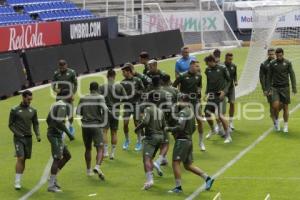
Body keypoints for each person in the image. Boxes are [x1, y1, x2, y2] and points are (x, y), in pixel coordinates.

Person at [165, 93, 214, 193]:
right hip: (188, 140)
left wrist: (168, 129)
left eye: (180, 101)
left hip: (182, 141)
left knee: (175, 163)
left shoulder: (183, 113)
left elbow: (180, 127)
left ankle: (178, 188)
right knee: (188, 165)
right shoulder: (191, 112)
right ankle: (207, 178)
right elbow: (193, 128)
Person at [9, 90, 41, 190]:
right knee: (20, 158)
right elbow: (10, 124)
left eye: (31, 100)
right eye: (28, 99)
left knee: (24, 160)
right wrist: (18, 133)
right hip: (18, 138)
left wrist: (38, 134)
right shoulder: (14, 110)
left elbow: (36, 123)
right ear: (23, 97)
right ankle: (17, 182)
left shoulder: (33, 110)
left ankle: (19, 179)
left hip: (29, 138)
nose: (29, 101)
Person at [135, 92, 167, 190]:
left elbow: (145, 122)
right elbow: (164, 126)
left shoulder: (148, 109)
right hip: (160, 137)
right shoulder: (160, 111)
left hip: (151, 137)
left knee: (146, 159)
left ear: (148, 99)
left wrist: (137, 128)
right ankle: (152, 173)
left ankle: (149, 181)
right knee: (150, 158)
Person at [77, 82, 108, 179]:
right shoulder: (100, 97)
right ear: (97, 88)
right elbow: (105, 109)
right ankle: (97, 167)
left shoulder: (83, 98)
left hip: (85, 125)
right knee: (100, 148)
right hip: (95, 125)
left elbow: (78, 112)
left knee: (88, 148)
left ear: (90, 88)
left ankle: (88, 170)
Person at [173, 59, 206, 151]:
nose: (198, 68)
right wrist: (180, 95)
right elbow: (174, 86)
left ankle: (201, 142)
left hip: (195, 101)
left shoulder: (199, 76)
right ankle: (187, 143)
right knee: (185, 124)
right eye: (196, 66)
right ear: (191, 66)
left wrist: (199, 90)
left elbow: (200, 86)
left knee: (199, 121)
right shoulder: (182, 76)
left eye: (198, 66)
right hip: (185, 103)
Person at [46, 89, 75, 192]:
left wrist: (51, 127)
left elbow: (47, 119)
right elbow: (59, 121)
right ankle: (51, 185)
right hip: (55, 136)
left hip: (54, 134)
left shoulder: (57, 104)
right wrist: (69, 134)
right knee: (57, 159)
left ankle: (52, 178)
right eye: (72, 94)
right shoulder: (62, 106)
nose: (73, 96)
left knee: (67, 156)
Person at [144, 76, 172, 177]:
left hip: (151, 122)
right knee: (165, 143)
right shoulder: (167, 94)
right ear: (160, 82)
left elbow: (145, 107)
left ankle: (159, 162)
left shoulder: (148, 95)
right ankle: (159, 161)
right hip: (162, 121)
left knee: (153, 145)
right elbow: (169, 108)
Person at [267, 48, 297, 133]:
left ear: (283, 54)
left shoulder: (287, 63)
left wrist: (294, 88)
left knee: (285, 107)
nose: (279, 57)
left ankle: (285, 125)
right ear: (275, 55)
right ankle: (276, 121)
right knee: (275, 106)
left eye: (280, 55)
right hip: (275, 88)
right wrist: (268, 89)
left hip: (285, 88)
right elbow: (269, 76)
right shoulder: (272, 63)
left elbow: (292, 75)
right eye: (277, 56)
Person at [98, 69, 126, 159]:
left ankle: (105, 152)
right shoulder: (119, 86)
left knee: (104, 131)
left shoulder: (102, 87)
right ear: (114, 76)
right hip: (116, 112)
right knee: (114, 133)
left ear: (107, 76)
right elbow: (125, 98)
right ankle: (112, 153)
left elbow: (98, 99)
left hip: (106, 111)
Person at [204, 55, 232, 143]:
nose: (206, 65)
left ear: (211, 61)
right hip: (211, 95)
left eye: (207, 63)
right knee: (206, 113)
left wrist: (224, 91)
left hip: (220, 95)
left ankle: (228, 136)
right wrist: (206, 93)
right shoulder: (207, 70)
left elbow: (229, 81)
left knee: (220, 115)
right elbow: (208, 82)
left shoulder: (222, 68)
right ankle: (213, 130)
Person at [154, 74, 179, 167]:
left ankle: (163, 159)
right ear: (169, 80)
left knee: (164, 139)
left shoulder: (157, 91)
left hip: (159, 117)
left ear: (161, 81)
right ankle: (178, 155)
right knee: (177, 137)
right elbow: (176, 104)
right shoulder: (175, 90)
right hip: (172, 117)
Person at [121, 63, 145, 151]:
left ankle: (139, 141)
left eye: (124, 72)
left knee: (137, 123)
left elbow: (143, 91)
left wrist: (137, 92)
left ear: (128, 72)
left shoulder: (137, 80)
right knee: (125, 124)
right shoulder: (122, 82)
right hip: (127, 105)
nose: (122, 73)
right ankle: (127, 140)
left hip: (136, 104)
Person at [52, 59, 78, 135]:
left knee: (70, 114)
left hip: (69, 96)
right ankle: (62, 130)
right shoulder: (56, 73)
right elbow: (53, 84)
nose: (62, 69)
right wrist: (56, 90)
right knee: (60, 115)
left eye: (64, 67)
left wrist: (73, 94)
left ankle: (70, 125)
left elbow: (75, 84)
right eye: (61, 67)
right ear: (59, 67)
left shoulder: (72, 72)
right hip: (60, 97)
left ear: (66, 65)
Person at [259, 48, 276, 124]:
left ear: (275, 54)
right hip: (269, 88)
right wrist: (264, 89)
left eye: (272, 54)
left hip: (279, 87)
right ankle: (274, 120)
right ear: (267, 55)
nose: (271, 56)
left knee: (280, 104)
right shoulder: (264, 64)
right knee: (272, 104)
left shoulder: (278, 62)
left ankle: (273, 115)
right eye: (270, 54)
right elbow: (261, 78)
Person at [224, 53, 238, 130]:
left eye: (231, 59)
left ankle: (231, 122)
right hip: (222, 88)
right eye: (229, 59)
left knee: (232, 103)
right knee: (221, 106)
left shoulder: (234, 66)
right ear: (225, 58)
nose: (230, 61)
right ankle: (220, 123)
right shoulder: (221, 66)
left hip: (231, 88)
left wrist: (235, 81)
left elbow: (235, 75)